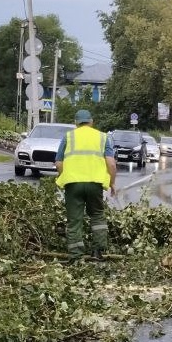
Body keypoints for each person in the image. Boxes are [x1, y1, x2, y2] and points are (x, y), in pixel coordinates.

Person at [54, 110, 117, 263]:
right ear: (91, 121)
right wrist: (112, 182)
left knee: (74, 219)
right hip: (94, 184)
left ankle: (76, 256)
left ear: (76, 122)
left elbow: (58, 163)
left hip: (73, 184)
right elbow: (111, 164)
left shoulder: (68, 137)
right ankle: (97, 252)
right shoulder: (103, 137)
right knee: (97, 215)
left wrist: (65, 176)